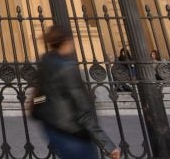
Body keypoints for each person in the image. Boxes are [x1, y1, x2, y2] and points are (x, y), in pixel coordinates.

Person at [32, 25, 121, 159]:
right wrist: (107, 144)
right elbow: (82, 109)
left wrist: (42, 109)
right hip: (72, 132)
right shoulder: (67, 68)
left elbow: (40, 96)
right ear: (66, 42)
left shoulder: (46, 62)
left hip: (52, 128)